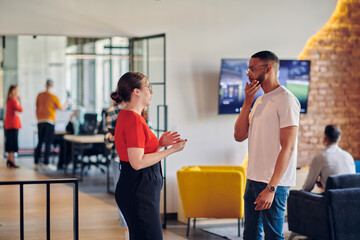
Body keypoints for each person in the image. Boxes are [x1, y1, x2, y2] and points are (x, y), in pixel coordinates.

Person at [111, 72, 187, 240]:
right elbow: (137, 162)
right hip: (138, 190)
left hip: (137, 188)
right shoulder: (134, 120)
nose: (151, 92)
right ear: (136, 92)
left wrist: (159, 144)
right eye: (148, 87)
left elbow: (138, 151)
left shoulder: (129, 116)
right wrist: (172, 150)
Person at [234, 51, 300, 240]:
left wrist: (271, 188)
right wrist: (247, 102)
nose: (248, 73)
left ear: (268, 69)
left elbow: (288, 147)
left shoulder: (286, 100)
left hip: (273, 184)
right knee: (251, 236)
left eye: (252, 69)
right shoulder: (259, 100)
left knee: (273, 236)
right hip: (253, 179)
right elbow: (239, 135)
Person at [303, 125, 355, 192]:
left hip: (333, 200)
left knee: (296, 194)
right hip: (353, 199)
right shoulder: (349, 156)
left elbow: (307, 188)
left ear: (324, 139)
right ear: (339, 139)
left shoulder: (320, 157)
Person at [34, 79, 68, 171]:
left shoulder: (39, 95)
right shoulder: (53, 96)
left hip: (40, 121)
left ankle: (36, 163)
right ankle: (46, 163)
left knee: (40, 142)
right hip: (49, 121)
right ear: (52, 86)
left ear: (46, 85)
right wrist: (67, 102)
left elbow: (37, 107)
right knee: (48, 143)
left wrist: (38, 118)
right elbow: (61, 108)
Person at [4, 85, 23, 168]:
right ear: (13, 91)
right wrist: (20, 101)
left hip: (9, 124)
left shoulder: (9, 100)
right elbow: (20, 109)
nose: (18, 91)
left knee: (9, 142)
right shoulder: (13, 100)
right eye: (16, 90)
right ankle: (12, 161)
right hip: (13, 124)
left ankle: (9, 159)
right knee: (12, 143)